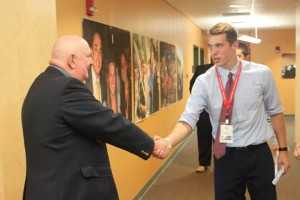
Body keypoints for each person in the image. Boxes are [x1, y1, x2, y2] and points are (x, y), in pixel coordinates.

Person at [154, 23, 291, 200]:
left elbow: (275, 111)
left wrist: (283, 150)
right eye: (210, 46)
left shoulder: (261, 74)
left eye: (219, 45)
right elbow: (189, 118)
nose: (213, 52)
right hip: (226, 155)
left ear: (234, 45)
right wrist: (167, 141)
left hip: (258, 154)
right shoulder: (204, 81)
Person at [21, 35, 168, 200]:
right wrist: (151, 145)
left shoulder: (39, 85)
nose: (92, 62)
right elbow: (109, 122)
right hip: (68, 192)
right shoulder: (67, 88)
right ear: (72, 60)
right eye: (88, 56)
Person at [236, 43, 279, 155]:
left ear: (247, 57)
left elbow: (271, 113)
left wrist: (276, 142)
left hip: (255, 148)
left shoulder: (258, 77)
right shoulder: (222, 79)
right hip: (228, 146)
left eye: (238, 56)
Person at [189, 63, 213, 172]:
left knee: (221, 140)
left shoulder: (228, 69)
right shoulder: (201, 69)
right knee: (203, 136)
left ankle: (221, 164)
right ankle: (203, 163)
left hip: (223, 112)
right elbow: (192, 86)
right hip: (204, 111)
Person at [85, 32, 106, 103]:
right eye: (96, 49)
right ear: (91, 51)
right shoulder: (84, 83)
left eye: (100, 50)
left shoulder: (105, 84)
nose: (99, 56)